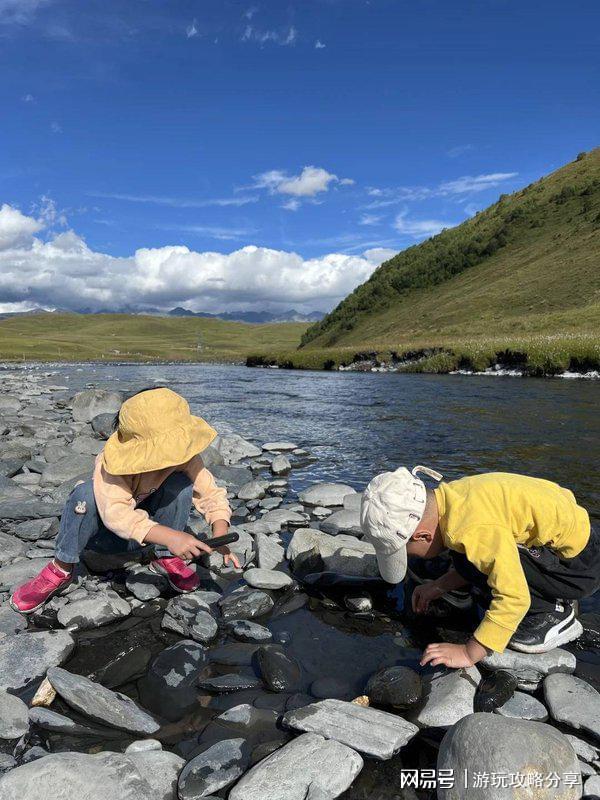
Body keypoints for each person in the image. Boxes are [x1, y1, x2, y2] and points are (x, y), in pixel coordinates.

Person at [11, 387, 238, 614]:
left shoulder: (184, 456)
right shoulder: (114, 463)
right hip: (104, 537)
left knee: (180, 484)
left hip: (150, 536)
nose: (172, 456)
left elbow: (210, 492)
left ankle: (165, 556)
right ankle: (61, 568)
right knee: (84, 495)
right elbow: (116, 514)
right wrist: (173, 537)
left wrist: (220, 533)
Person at [360, 466, 600, 668]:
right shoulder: (453, 499)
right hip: (571, 541)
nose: (412, 558)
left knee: (476, 557)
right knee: (467, 555)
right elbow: (482, 555)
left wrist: (468, 652)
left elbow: (514, 598)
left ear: (423, 536)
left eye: (408, 552)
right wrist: (438, 586)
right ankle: (548, 592)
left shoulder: (473, 530)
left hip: (578, 569)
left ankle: (552, 614)